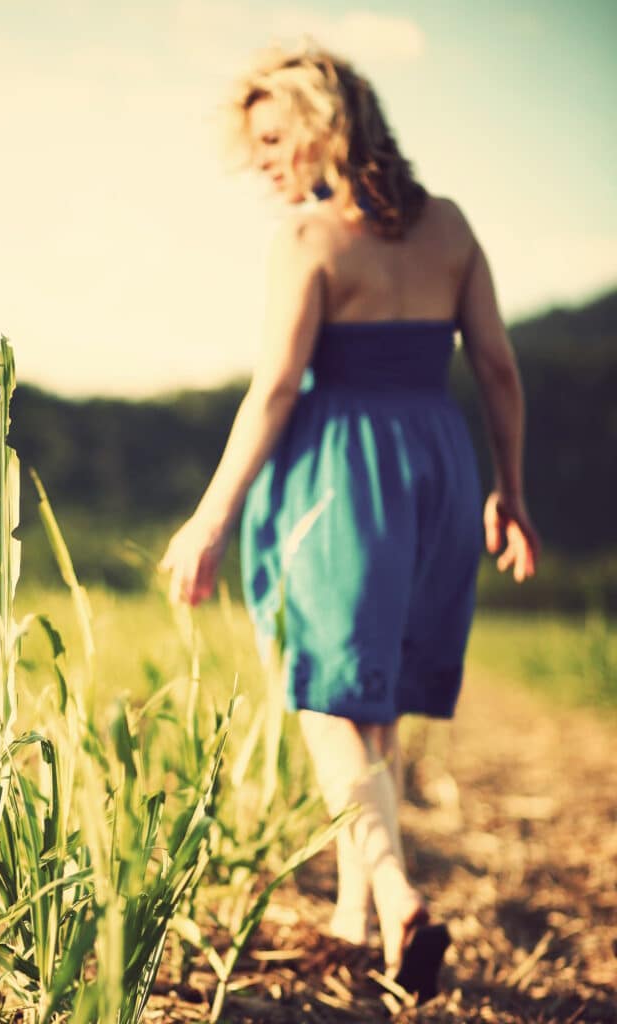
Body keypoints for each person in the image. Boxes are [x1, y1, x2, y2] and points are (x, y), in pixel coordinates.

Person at [160, 44, 539, 1002]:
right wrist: (511, 490)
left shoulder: (310, 241)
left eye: (278, 140)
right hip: (440, 470)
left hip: (342, 475)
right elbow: (496, 365)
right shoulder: (451, 226)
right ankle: (354, 913)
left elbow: (278, 385)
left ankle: (400, 899)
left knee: (326, 693)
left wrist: (211, 518)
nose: (266, 166)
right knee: (374, 701)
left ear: (327, 125)